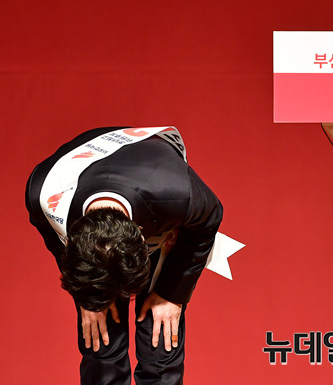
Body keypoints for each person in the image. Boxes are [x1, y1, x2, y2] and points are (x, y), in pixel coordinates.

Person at [25, 126, 223, 385]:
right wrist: (88, 297)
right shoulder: (44, 194)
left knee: (160, 337)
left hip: (156, 208)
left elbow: (209, 220)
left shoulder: (178, 193)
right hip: (89, 215)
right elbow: (55, 241)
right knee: (100, 336)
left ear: (141, 238)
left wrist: (172, 294)